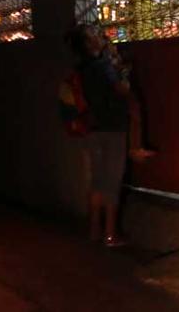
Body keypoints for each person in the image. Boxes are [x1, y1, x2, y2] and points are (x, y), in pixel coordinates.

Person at [67, 25, 134, 246]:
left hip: (92, 128)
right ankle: (110, 234)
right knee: (112, 181)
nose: (101, 36)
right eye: (95, 35)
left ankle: (94, 230)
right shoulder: (104, 67)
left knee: (96, 180)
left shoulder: (81, 68)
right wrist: (124, 72)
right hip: (112, 128)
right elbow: (122, 90)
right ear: (88, 44)